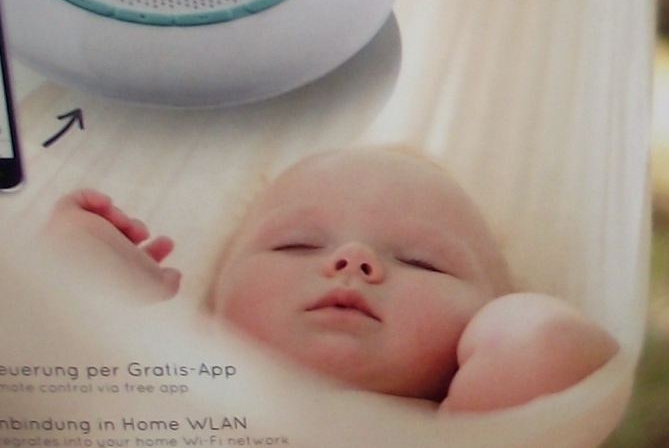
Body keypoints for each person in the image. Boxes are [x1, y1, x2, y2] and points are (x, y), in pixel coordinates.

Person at [45, 146, 616, 412]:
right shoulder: (166, 392)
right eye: (294, 245)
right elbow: (35, 393)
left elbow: (551, 350)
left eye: (422, 262)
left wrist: (518, 316)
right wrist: (81, 281)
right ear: (208, 309)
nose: (353, 259)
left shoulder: (468, 443)